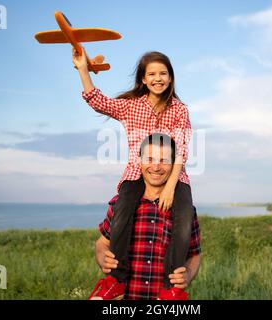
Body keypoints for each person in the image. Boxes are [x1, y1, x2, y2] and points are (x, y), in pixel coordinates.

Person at [73, 48, 194, 299]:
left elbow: (181, 148)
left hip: (174, 175)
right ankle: (115, 280)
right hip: (137, 173)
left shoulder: (179, 109)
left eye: (163, 73)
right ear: (143, 79)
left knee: (183, 218)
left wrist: (171, 186)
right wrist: (83, 70)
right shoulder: (131, 107)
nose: (158, 78)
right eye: (152, 74)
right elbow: (99, 101)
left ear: (170, 78)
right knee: (123, 210)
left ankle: (171, 289)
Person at [89, 133, 201, 300]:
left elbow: (194, 254)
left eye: (164, 161)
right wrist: (102, 257)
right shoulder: (120, 204)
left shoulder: (185, 210)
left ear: (174, 164)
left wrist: (188, 273)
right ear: (139, 160)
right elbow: (102, 244)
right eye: (149, 159)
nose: (156, 167)